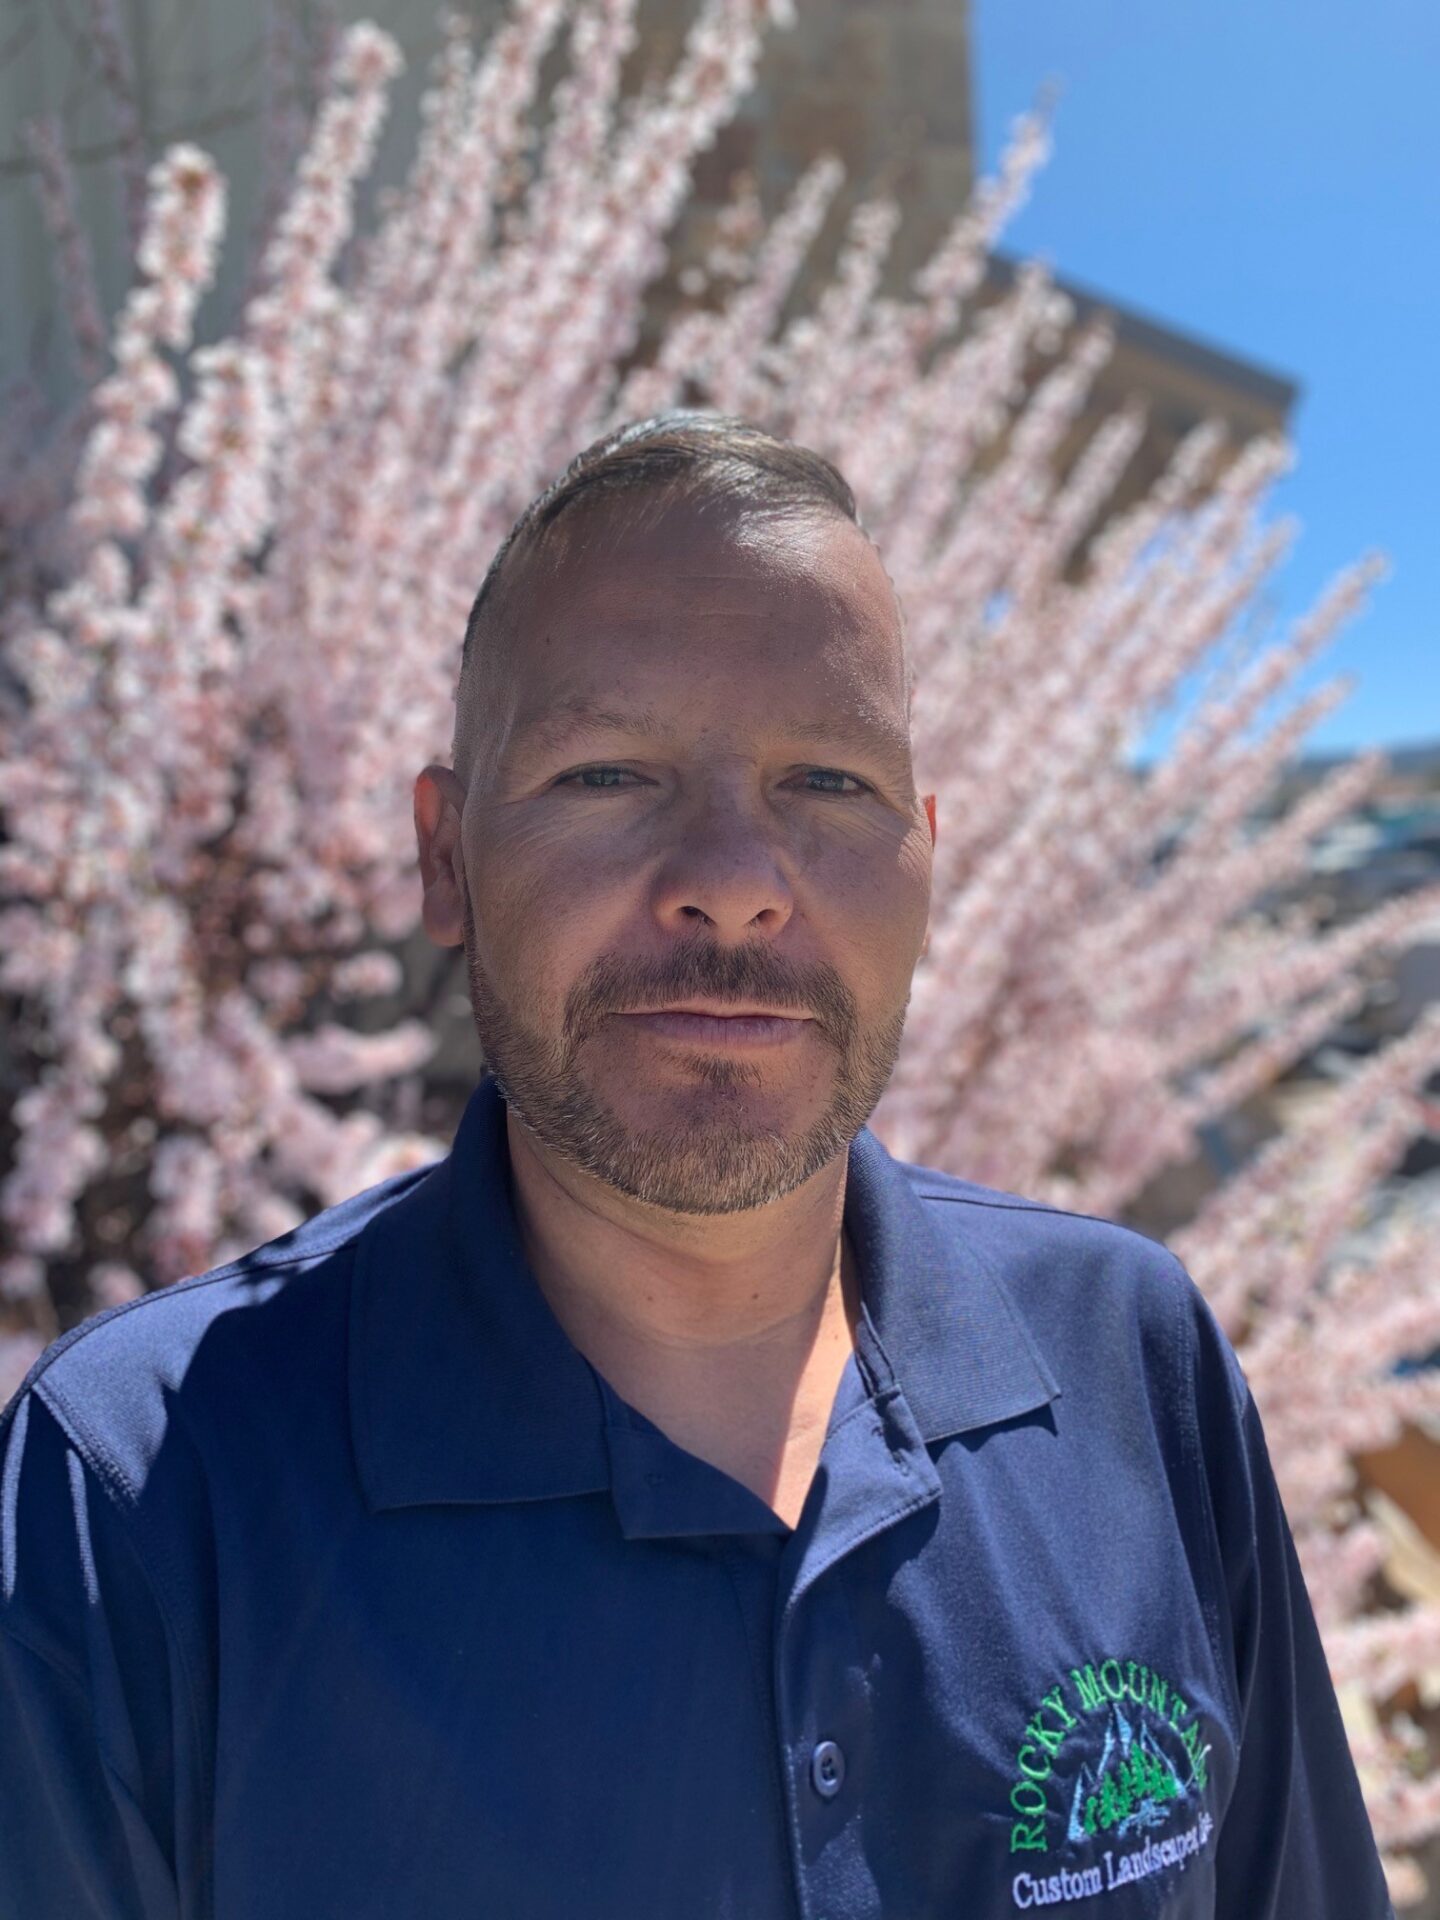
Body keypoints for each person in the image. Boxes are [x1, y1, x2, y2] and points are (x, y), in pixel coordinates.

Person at [0, 412, 1395, 1918]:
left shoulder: (1131, 1360)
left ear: (927, 861)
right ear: (445, 856)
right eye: (608, 773)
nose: (731, 882)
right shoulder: (138, 1493)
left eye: (829, 783)